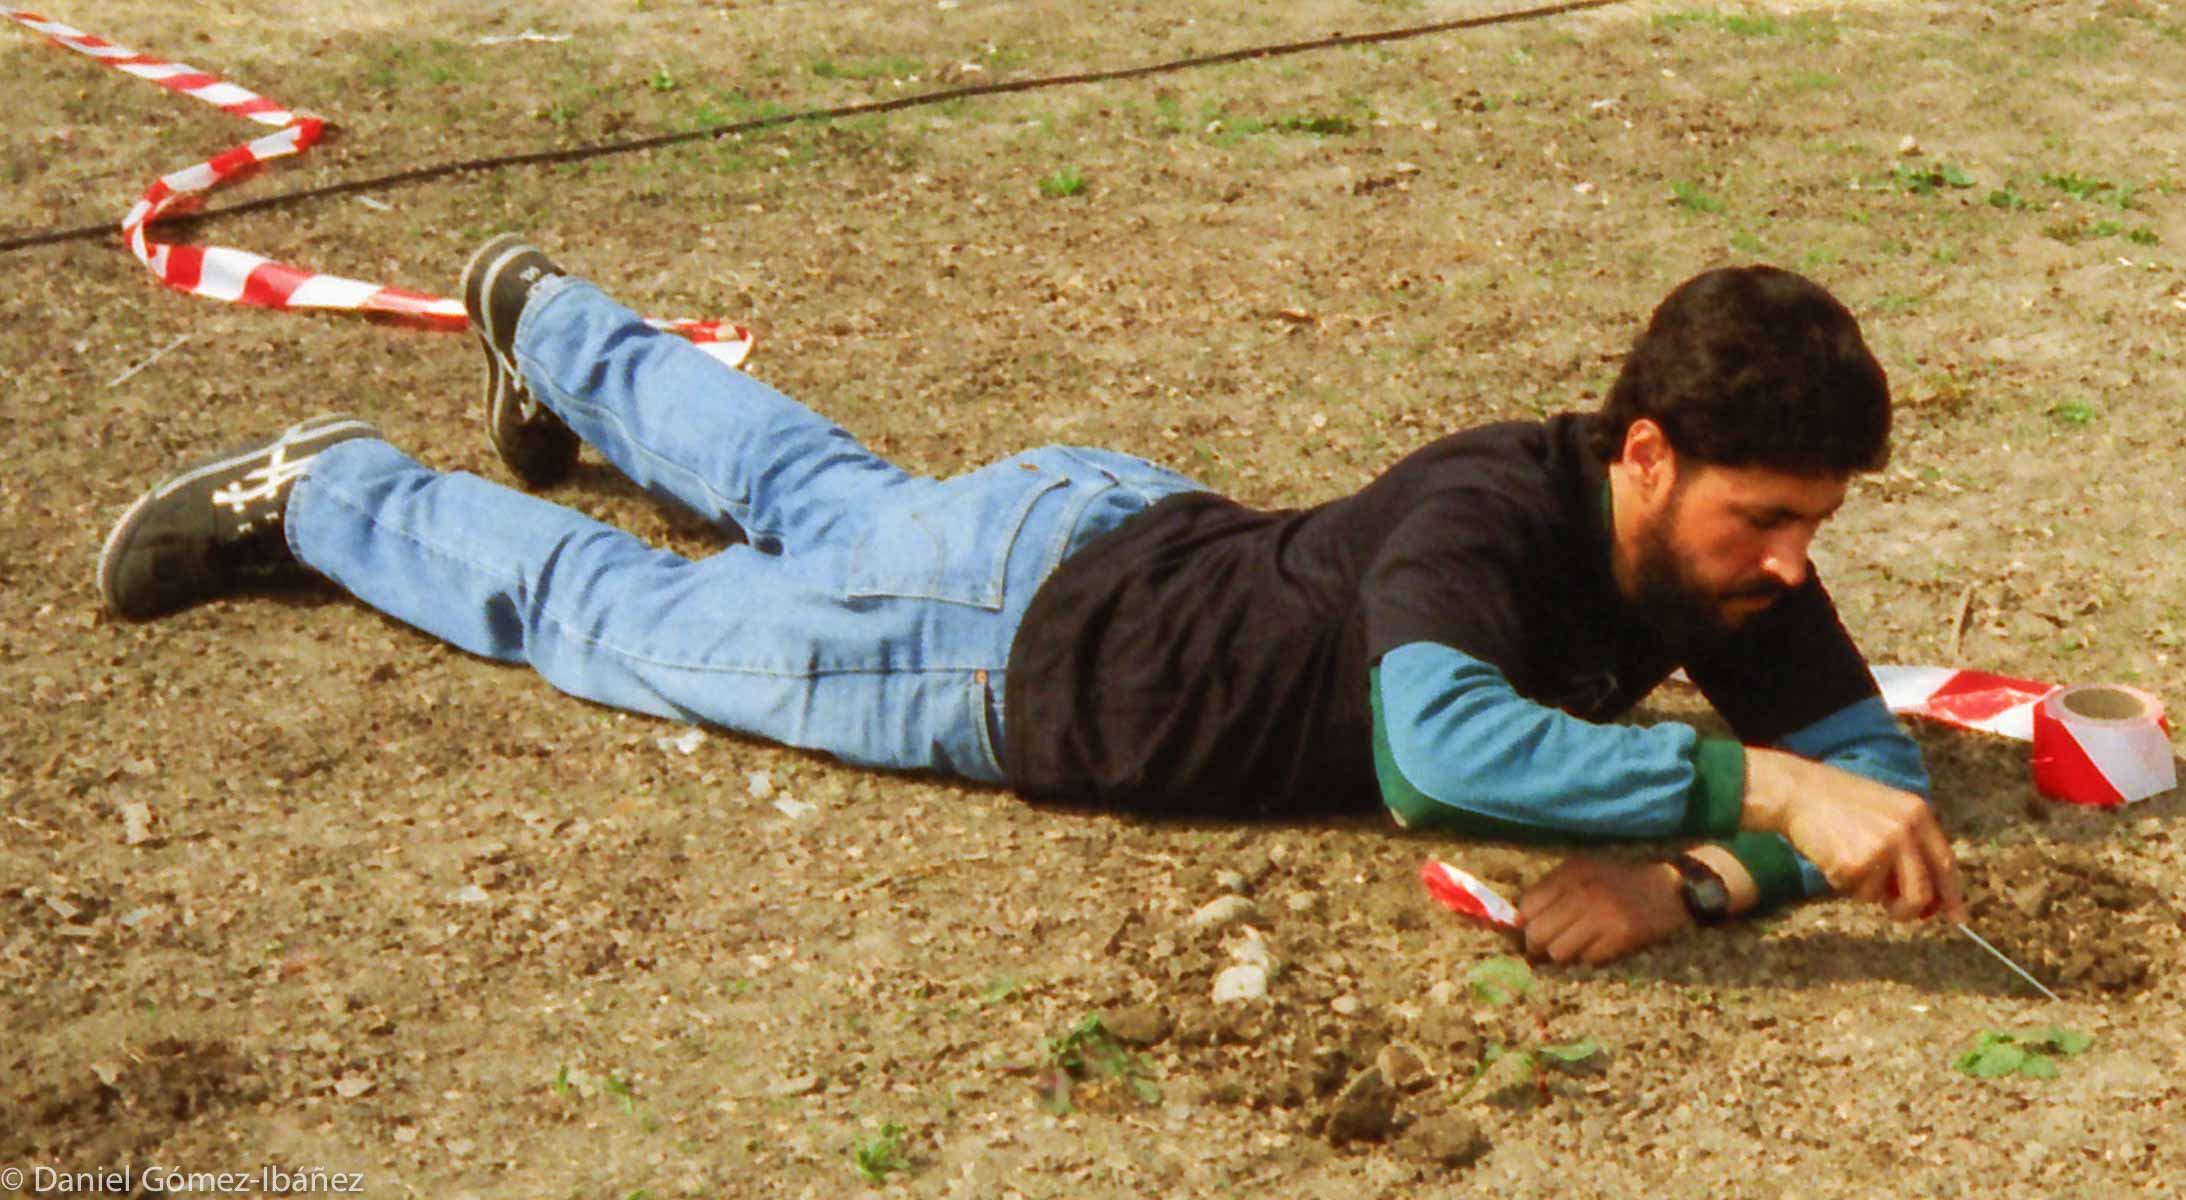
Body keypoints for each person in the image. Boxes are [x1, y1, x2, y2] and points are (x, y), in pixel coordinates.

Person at [98, 241, 1963, 966]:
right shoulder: (1493, 511)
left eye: (1813, 523)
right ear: (1645, 452)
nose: (1794, 561)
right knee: (639, 628)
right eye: (1766, 516)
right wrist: (1760, 794)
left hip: (1103, 531)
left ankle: (556, 330)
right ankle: (333, 490)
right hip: (1023, 655)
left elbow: (1875, 756)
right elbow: (1433, 747)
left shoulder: (1734, 566)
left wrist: (1700, 876)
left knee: (823, 498)